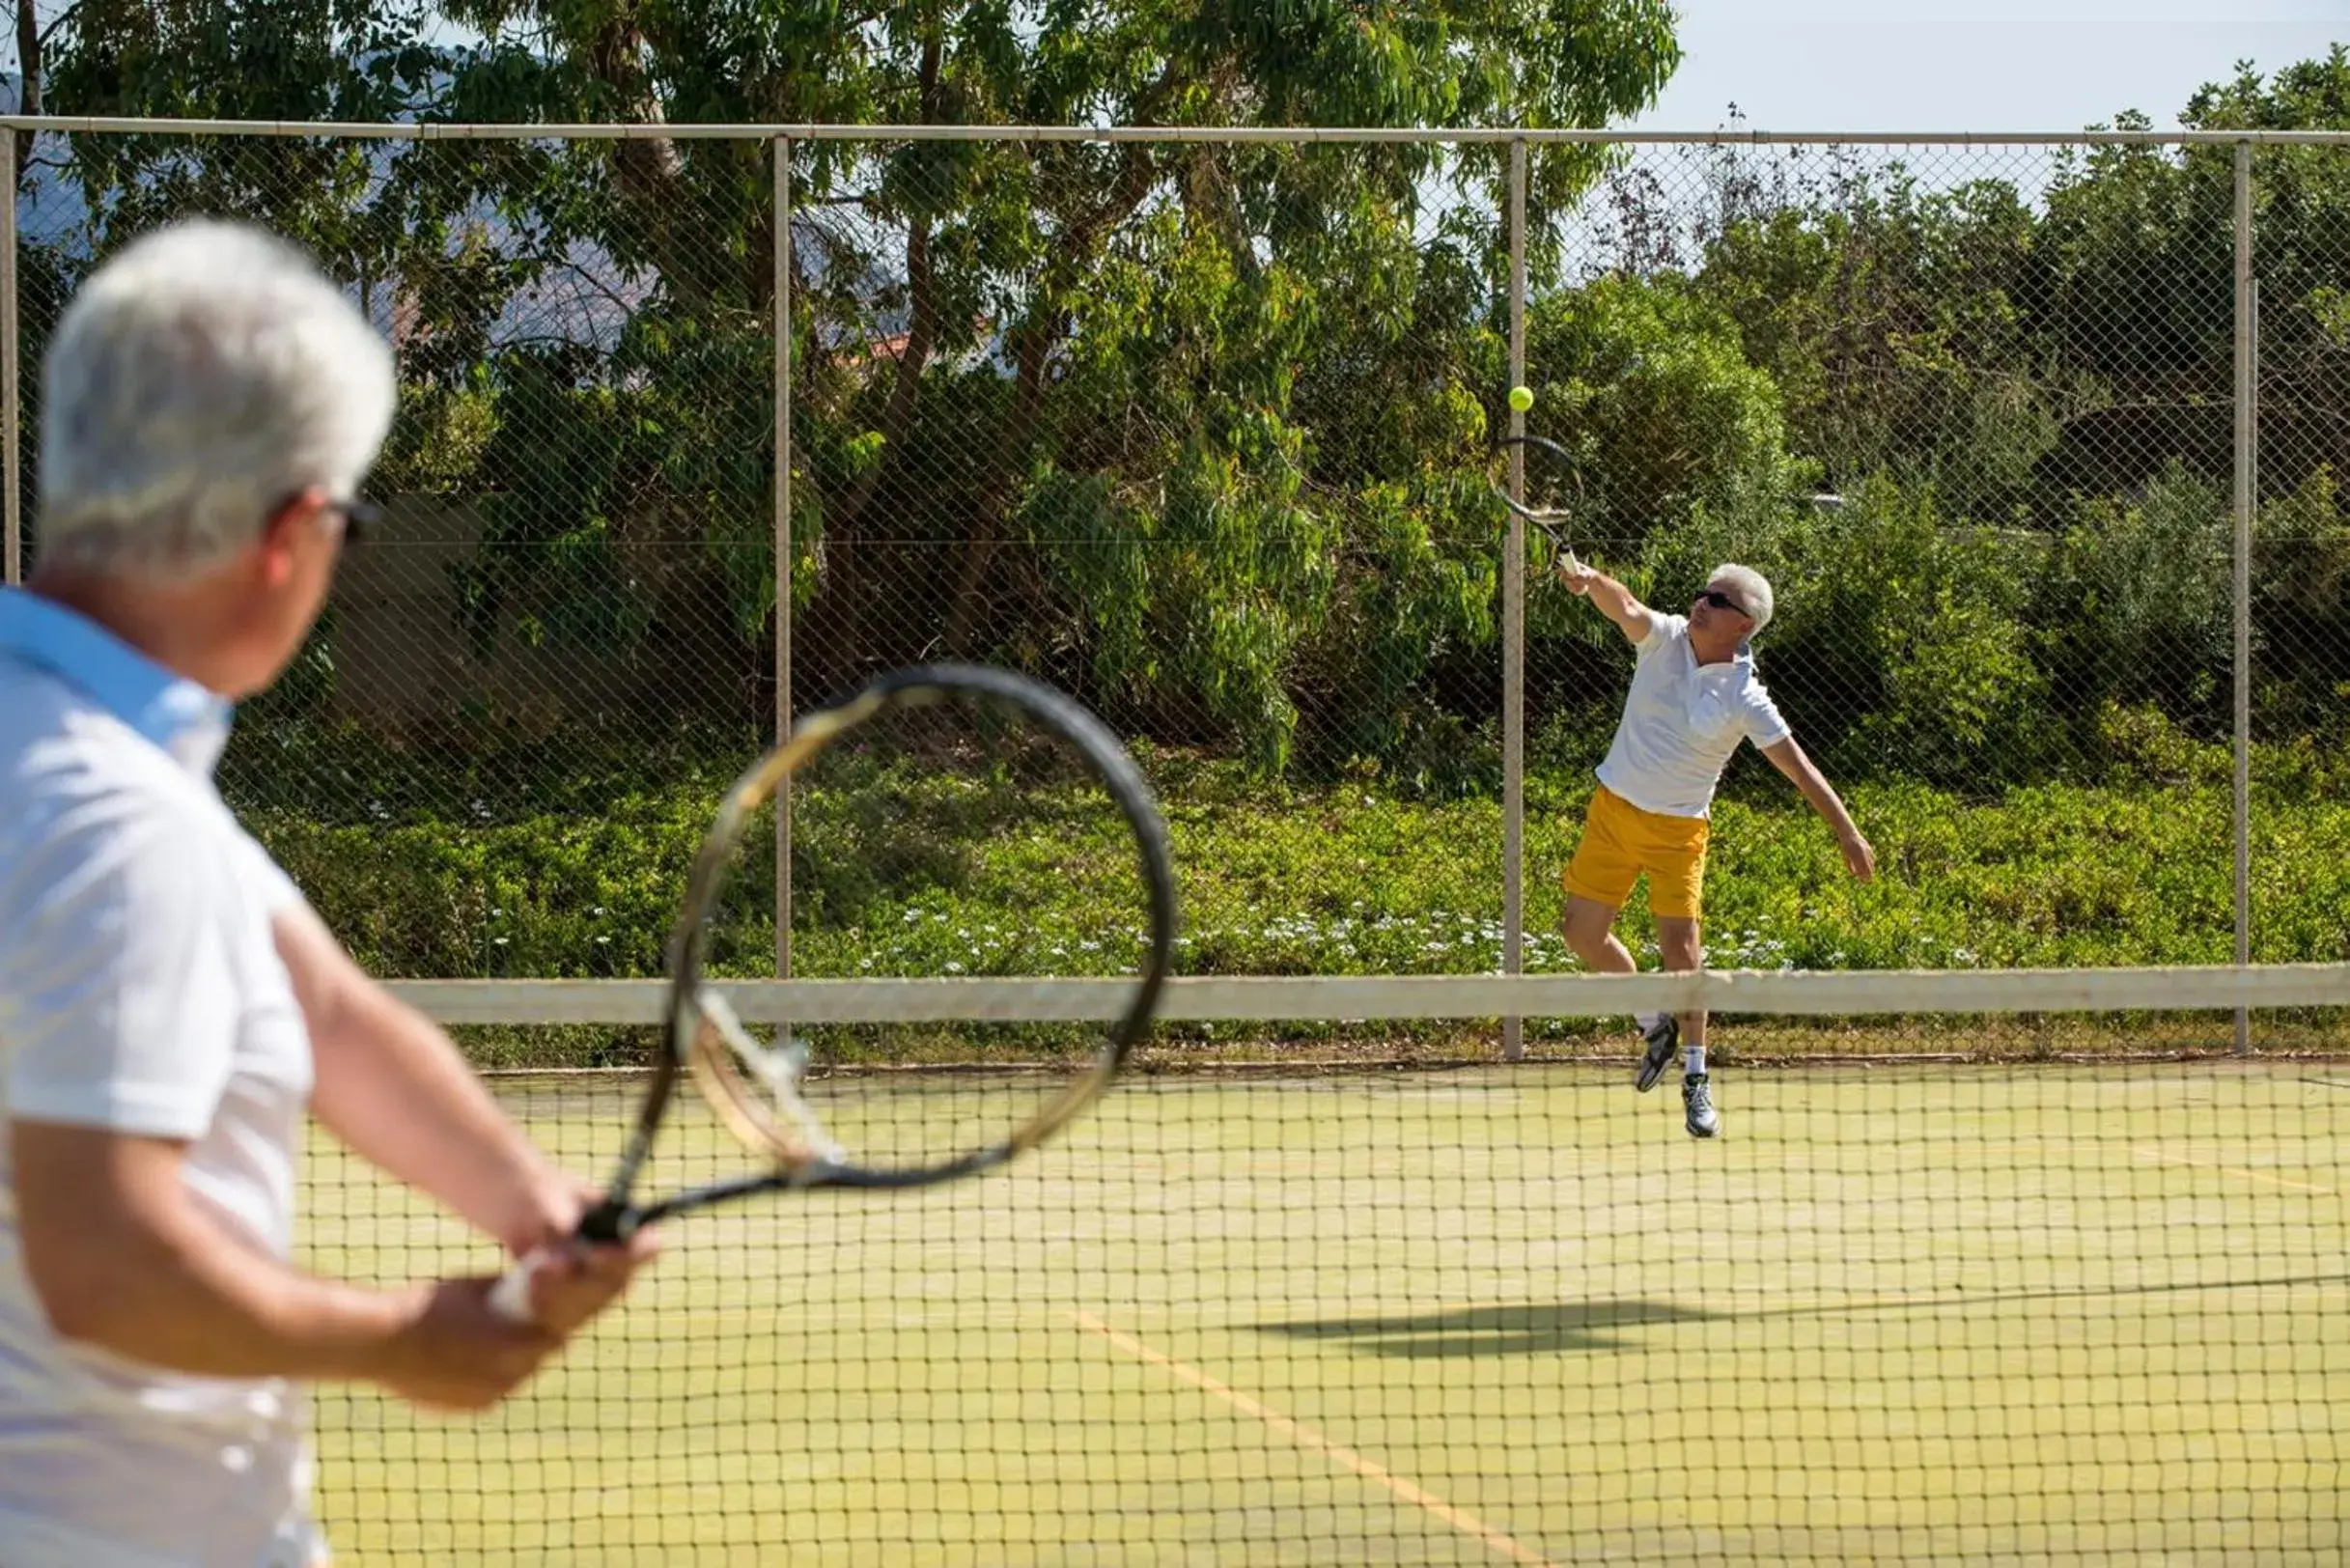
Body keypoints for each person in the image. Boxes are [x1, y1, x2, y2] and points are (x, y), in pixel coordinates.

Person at [0, 218, 657, 1568]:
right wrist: (406, 1342)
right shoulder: (114, 820)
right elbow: (106, 1263)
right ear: (291, 532)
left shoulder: (83, 760)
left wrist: (533, 1204)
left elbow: (332, 1013)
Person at [1555, 556, 1874, 1138]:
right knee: (1581, 934)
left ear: (1744, 625)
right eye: (1705, 593)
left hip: (1678, 833)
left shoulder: (1745, 698)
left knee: (1682, 954)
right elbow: (1624, 604)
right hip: (1613, 812)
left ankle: (1696, 1078)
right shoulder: (1667, 637)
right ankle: (1653, 1023)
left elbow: (1800, 771)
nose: (1703, 601)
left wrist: (1847, 831)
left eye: (1719, 600)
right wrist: (1590, 581)